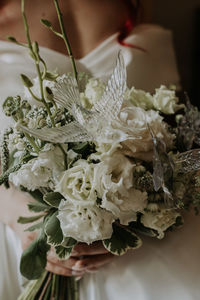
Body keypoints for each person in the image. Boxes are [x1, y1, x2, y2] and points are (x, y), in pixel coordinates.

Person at [0, 1, 199, 300]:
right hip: (18, 220)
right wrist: (18, 215)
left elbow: (180, 140)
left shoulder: (135, 7)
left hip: (145, 223)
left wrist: (132, 215)